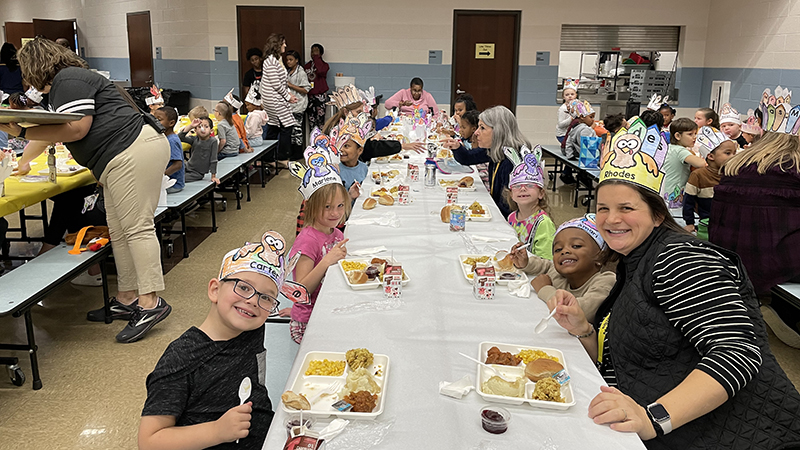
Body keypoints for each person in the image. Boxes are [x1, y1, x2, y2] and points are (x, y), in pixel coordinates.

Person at [551, 133, 800, 448]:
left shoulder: (680, 257)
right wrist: (585, 329)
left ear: (657, 214)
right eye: (602, 208)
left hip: (742, 437)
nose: (611, 219)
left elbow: (737, 353)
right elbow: (634, 353)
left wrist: (653, 418)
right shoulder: (633, 260)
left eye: (626, 208)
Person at [3, 37, 171, 343]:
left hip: (131, 150)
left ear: (36, 65)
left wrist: (22, 129)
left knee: (137, 229)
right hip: (124, 153)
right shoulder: (66, 85)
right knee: (119, 231)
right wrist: (24, 162)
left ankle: (151, 303)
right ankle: (127, 298)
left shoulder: (69, 79)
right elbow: (53, 131)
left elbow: (77, 128)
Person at [139, 231, 298, 450]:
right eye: (243, 287)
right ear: (214, 290)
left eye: (266, 297)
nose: (253, 301)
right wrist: (216, 431)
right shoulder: (182, 357)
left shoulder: (251, 329)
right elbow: (149, 441)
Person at [710, 128, 800, 348]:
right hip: (782, 262)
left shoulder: (736, 164)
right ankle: (788, 316)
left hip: (729, 257)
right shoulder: (795, 168)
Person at [288, 139, 349, 343]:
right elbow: (300, 290)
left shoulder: (336, 234)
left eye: (340, 206)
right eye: (327, 207)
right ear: (311, 206)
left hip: (327, 306)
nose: (335, 213)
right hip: (308, 322)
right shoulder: (307, 241)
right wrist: (326, 261)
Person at [510, 214, 614, 323]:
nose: (565, 251)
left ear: (600, 257)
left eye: (576, 246)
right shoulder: (559, 274)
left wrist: (545, 289)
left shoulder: (606, 281)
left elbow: (577, 312)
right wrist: (525, 263)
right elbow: (546, 265)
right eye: (558, 249)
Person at [451, 106, 529, 219]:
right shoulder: (496, 149)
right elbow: (468, 158)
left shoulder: (513, 162)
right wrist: (457, 147)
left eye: (482, 128)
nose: (476, 133)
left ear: (499, 131)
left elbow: (509, 207)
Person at [503, 145, 555, 259]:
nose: (522, 189)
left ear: (541, 193)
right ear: (511, 195)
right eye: (517, 186)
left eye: (530, 185)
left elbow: (546, 261)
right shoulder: (511, 217)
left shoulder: (543, 223)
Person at [682, 137, 736, 234]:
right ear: (711, 156)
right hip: (707, 224)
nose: (733, 157)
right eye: (728, 153)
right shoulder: (698, 175)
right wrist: (690, 222)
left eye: (734, 153)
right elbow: (688, 201)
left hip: (730, 223)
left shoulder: (733, 175)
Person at [260, 33, 298, 169]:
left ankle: (268, 157)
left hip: (277, 98)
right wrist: (287, 97)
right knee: (286, 126)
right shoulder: (270, 61)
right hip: (273, 100)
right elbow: (276, 84)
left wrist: (288, 94)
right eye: (283, 43)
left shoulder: (277, 59)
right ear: (277, 45)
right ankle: (281, 157)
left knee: (274, 127)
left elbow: (282, 83)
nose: (285, 45)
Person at [662, 118, 706, 208]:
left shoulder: (670, 147)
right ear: (678, 136)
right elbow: (702, 164)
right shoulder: (680, 150)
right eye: (690, 134)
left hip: (664, 191)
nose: (695, 137)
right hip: (674, 195)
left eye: (695, 134)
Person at [562, 100, 596, 184]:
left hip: (578, 156)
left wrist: (570, 155)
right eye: (591, 117)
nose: (593, 120)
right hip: (587, 159)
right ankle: (584, 178)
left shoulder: (575, 126)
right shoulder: (586, 130)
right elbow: (589, 147)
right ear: (582, 117)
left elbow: (569, 142)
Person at [285, 50, 311, 160]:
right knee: (291, 131)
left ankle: (297, 153)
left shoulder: (301, 73)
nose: (288, 62)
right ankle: (291, 151)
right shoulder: (289, 71)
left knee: (297, 130)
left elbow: (306, 89)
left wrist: (290, 85)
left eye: (291, 60)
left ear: (297, 60)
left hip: (299, 105)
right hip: (290, 105)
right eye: (287, 60)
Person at [179, 117, 219, 184]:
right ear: (195, 130)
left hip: (197, 173)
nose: (203, 129)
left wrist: (213, 176)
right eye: (199, 127)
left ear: (211, 131)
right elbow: (180, 137)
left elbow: (213, 160)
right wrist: (191, 126)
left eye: (206, 127)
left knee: (179, 178)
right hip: (187, 167)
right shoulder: (194, 139)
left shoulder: (213, 141)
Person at [155, 107, 185, 194]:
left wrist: (162, 176)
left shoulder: (171, 141)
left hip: (173, 185)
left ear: (171, 123)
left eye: (159, 120)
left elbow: (178, 164)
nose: (156, 122)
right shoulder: (166, 138)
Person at [304, 43, 330, 132]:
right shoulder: (307, 66)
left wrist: (317, 58)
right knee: (311, 121)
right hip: (310, 96)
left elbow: (321, 71)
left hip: (320, 95)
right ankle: (312, 141)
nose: (313, 53)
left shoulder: (324, 65)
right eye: (312, 51)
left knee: (320, 121)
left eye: (316, 51)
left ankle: (320, 140)